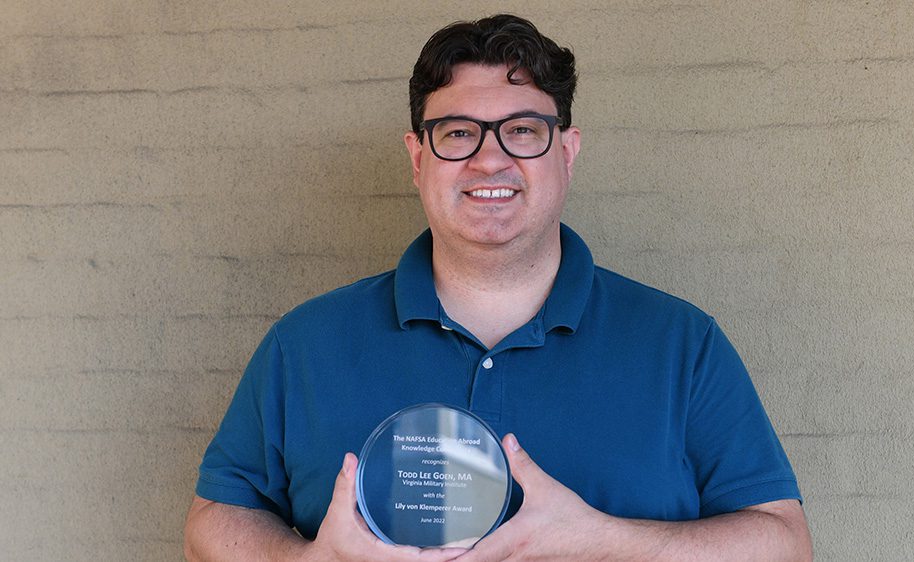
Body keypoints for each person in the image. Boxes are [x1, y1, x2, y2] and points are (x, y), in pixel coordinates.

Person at [184, 14, 812, 561]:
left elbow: (784, 545)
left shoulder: (680, 343)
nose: (490, 160)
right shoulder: (306, 344)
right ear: (416, 156)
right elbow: (211, 526)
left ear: (566, 152)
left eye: (523, 130)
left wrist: (604, 542)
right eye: (458, 132)